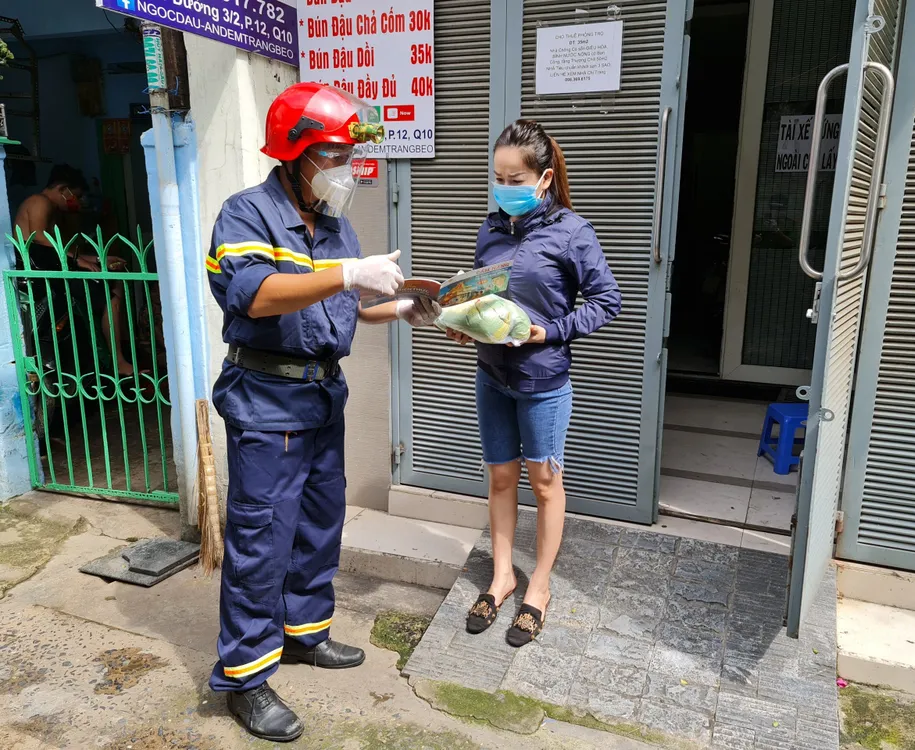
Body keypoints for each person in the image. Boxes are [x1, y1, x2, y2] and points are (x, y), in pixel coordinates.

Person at [205, 82, 439, 743]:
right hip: (267, 400)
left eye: (347, 156)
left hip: (321, 396)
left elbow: (345, 305)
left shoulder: (335, 226)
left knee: (316, 525)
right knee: (260, 541)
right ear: (298, 154)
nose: (345, 169)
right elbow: (255, 295)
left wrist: (398, 306)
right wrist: (346, 274)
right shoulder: (245, 215)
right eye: (333, 155)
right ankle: (245, 678)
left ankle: (305, 634)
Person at [448, 120, 621, 646]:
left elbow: (606, 302)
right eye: (498, 177)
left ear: (543, 179)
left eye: (516, 178)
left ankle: (538, 587)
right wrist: (464, 320)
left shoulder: (572, 232)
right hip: (491, 376)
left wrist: (552, 332)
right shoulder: (490, 228)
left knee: (545, 484)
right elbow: (488, 297)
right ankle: (502, 577)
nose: (505, 188)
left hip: (543, 381)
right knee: (500, 479)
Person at [14, 164, 135, 375]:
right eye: (76, 195)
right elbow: (40, 239)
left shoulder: (51, 208)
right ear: (64, 189)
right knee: (112, 293)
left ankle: (108, 358)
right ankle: (118, 361)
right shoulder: (40, 202)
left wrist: (97, 258)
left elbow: (59, 248)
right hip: (41, 276)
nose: (77, 201)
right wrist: (80, 261)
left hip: (49, 270)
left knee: (111, 285)